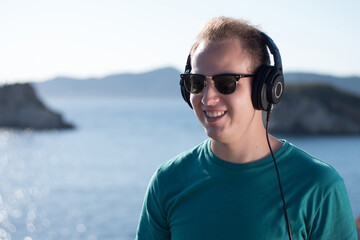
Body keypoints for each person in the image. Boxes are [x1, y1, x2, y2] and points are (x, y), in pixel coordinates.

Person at [136, 17, 357, 239]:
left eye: (226, 83)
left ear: (265, 88)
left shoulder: (319, 186)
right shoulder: (167, 182)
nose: (208, 98)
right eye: (197, 82)